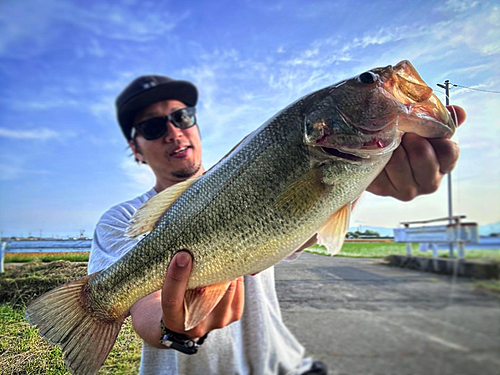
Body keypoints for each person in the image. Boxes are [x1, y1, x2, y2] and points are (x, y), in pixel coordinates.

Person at [89, 75, 466, 375]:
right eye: (153, 128)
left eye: (182, 117)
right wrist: (174, 326)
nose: (173, 131)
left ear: (195, 125)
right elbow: (144, 309)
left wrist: (365, 183)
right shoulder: (122, 221)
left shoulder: (251, 170)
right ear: (135, 150)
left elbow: (294, 228)